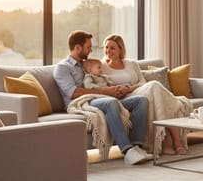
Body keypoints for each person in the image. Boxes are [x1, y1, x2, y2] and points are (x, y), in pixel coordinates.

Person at [53, 30, 151, 165]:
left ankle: (136, 147)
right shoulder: (63, 67)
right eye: (88, 47)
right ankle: (127, 150)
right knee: (111, 102)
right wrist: (107, 92)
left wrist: (117, 89)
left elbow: (103, 78)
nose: (91, 50)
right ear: (77, 48)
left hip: (99, 98)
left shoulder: (87, 64)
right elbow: (73, 93)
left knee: (141, 100)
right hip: (82, 103)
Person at [100, 33, 192, 155]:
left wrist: (128, 89)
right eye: (106, 47)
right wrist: (116, 90)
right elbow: (101, 85)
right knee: (155, 90)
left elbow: (142, 82)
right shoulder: (102, 66)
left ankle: (167, 141)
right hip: (123, 98)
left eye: (112, 48)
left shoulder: (131, 63)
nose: (108, 51)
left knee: (153, 87)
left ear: (120, 49)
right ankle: (172, 141)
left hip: (135, 91)